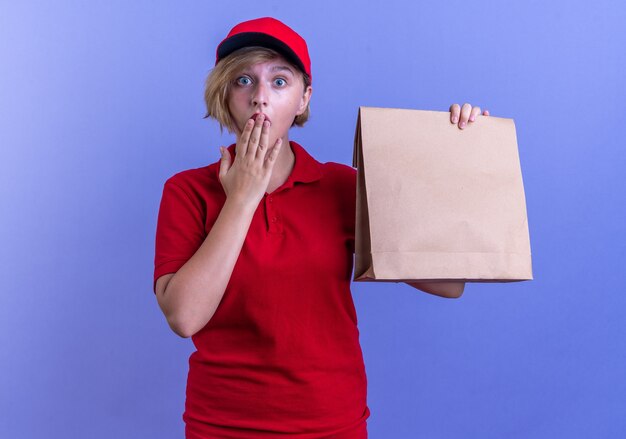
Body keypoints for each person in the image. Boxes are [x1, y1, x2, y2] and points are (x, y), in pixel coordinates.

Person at [153, 16, 490, 439]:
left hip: (331, 424)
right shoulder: (186, 191)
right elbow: (184, 317)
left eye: (279, 81)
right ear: (225, 93)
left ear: (303, 98)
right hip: (221, 425)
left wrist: (456, 150)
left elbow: (449, 284)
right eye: (243, 80)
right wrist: (242, 196)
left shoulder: (341, 187)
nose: (260, 97)